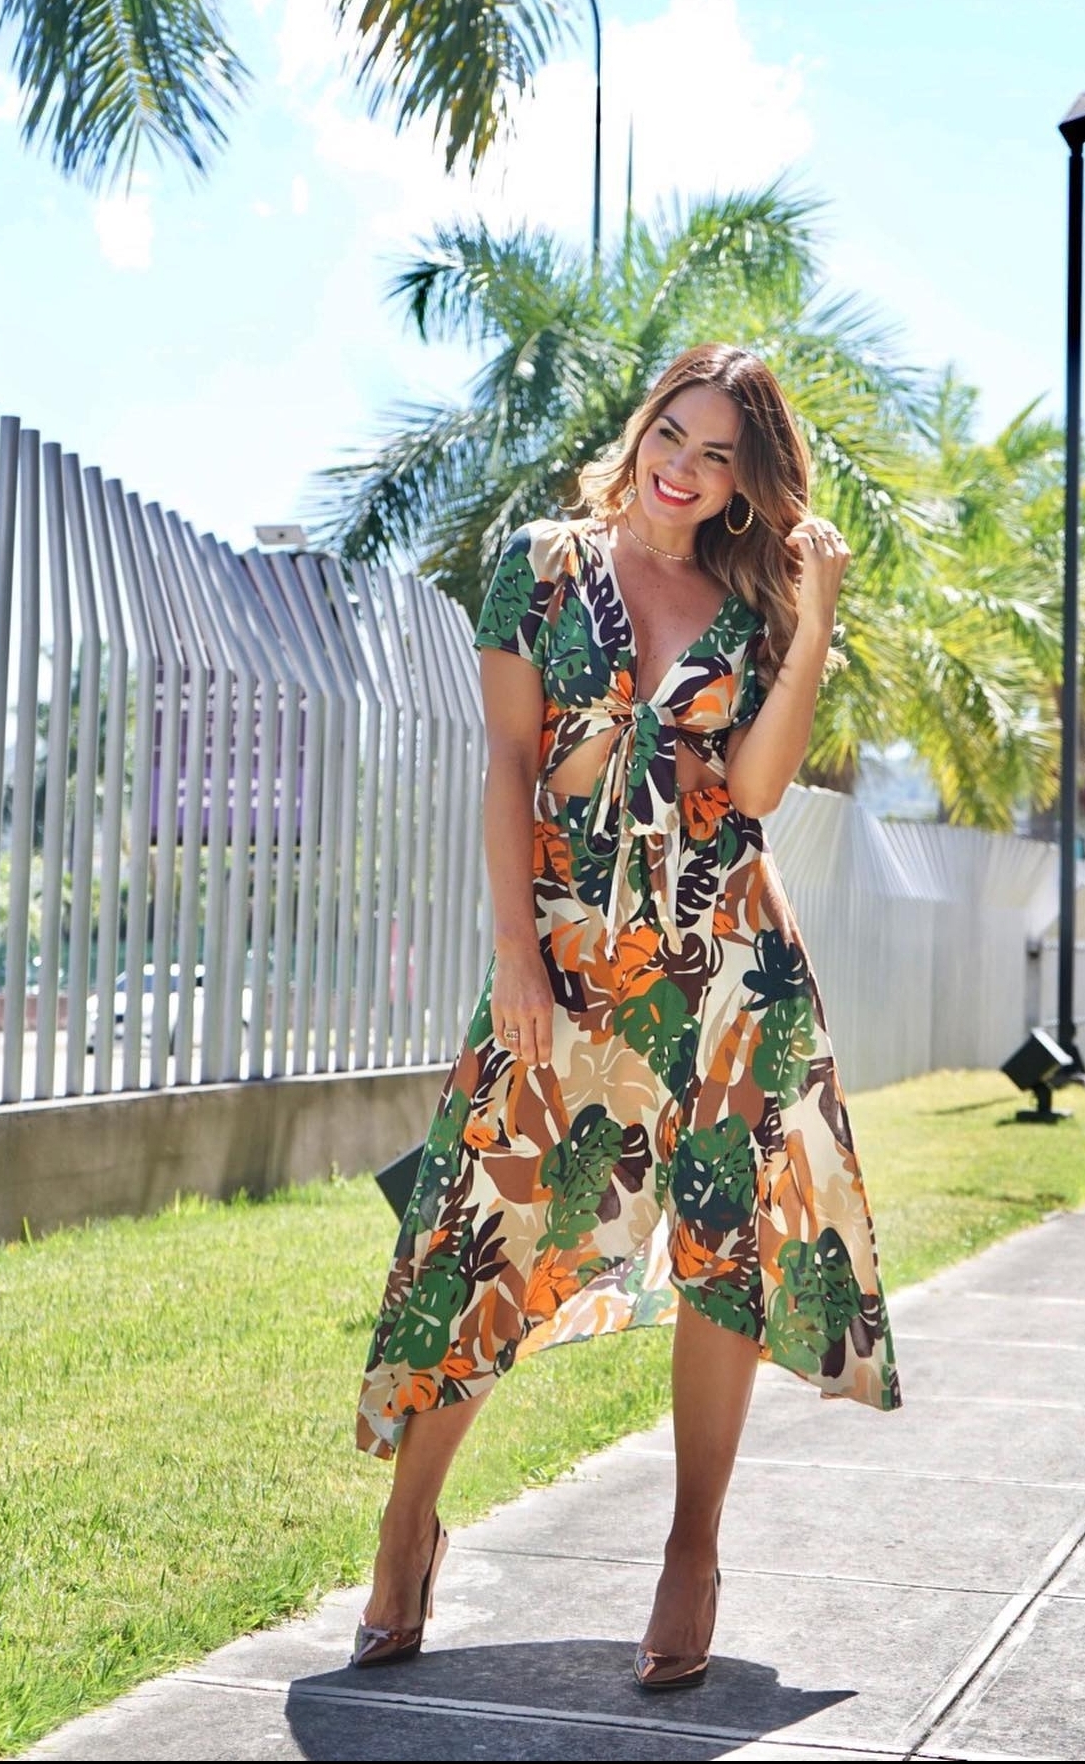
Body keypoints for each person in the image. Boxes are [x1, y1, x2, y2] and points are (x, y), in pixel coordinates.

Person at [352, 342, 901, 1689]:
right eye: (673, 433)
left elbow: (754, 792)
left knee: (727, 1238)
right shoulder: (542, 566)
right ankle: (410, 1523)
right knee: (485, 1224)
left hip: (728, 960)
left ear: (746, 485)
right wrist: (516, 955)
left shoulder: (755, 603)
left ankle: (691, 1550)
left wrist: (816, 618)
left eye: (719, 456)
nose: (683, 469)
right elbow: (508, 760)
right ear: (643, 426)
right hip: (564, 950)